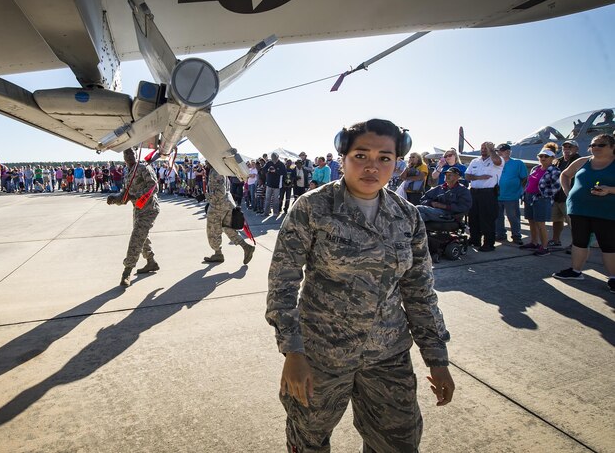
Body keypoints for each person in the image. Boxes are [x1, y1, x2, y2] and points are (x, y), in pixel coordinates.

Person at [267, 118, 453, 453]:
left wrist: (437, 358)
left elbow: (420, 291)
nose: (372, 166)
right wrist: (293, 351)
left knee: (399, 443)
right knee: (308, 440)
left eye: (384, 157)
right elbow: (282, 285)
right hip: (321, 355)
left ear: (397, 162)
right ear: (344, 157)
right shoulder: (312, 208)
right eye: (361, 155)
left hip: (388, 355)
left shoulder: (406, 215)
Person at [552, 134, 615, 291]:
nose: (595, 148)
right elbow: (565, 175)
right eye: (593, 145)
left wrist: (610, 190)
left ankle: (613, 278)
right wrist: (569, 192)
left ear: (612, 147)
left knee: (608, 246)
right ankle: (575, 271)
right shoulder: (582, 161)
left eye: (601, 145)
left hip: (606, 212)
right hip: (579, 209)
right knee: (579, 242)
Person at [107, 148, 160, 287]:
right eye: (126, 154)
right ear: (123, 157)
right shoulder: (127, 172)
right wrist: (115, 199)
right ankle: (151, 262)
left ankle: (127, 271)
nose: (129, 156)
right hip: (138, 210)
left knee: (137, 237)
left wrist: (134, 196)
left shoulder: (143, 167)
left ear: (136, 154)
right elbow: (125, 195)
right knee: (142, 237)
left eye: (131, 153)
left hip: (149, 209)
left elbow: (154, 187)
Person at [202, 164, 255, 264]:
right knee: (227, 228)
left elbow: (220, 192)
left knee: (212, 230)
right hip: (227, 204)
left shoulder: (216, 171)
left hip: (218, 206)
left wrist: (207, 197)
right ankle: (246, 247)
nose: (206, 162)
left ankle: (218, 253)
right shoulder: (221, 169)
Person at [520, 146, 561, 256]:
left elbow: (556, 187)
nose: (543, 158)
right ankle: (534, 242)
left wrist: (542, 195)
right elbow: (529, 183)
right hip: (529, 197)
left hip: (541, 199)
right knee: (531, 221)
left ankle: (545, 247)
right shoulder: (535, 168)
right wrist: (525, 193)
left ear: (552, 158)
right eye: (541, 156)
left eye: (546, 156)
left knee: (540, 224)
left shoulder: (555, 170)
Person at [465, 141, 503, 251]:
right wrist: (479, 177)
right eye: (482, 147)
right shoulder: (475, 161)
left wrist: (491, 150)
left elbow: (497, 161)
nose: (483, 149)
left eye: (486, 148)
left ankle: (488, 243)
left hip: (488, 193)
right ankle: (475, 239)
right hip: (474, 192)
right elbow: (467, 176)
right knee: (473, 218)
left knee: (487, 218)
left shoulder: (496, 160)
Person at [549, 140, 581, 247]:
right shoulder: (557, 161)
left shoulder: (579, 161)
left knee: (573, 223)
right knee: (556, 220)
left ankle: (576, 244)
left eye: (569, 147)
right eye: (564, 148)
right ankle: (555, 240)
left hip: (569, 196)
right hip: (556, 196)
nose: (566, 150)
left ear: (576, 149)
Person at [495, 143, 527, 245]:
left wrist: (519, 190)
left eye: (504, 150)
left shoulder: (518, 163)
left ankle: (516, 235)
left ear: (509, 152)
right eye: (500, 151)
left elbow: (524, 178)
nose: (501, 152)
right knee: (498, 217)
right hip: (497, 195)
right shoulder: (495, 163)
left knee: (513, 217)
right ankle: (500, 234)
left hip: (511, 196)